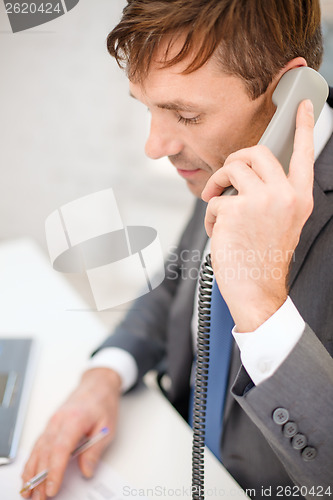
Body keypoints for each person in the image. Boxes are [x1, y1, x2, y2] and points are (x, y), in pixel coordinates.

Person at [22, 1, 333, 499]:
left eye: (186, 114)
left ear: (286, 94)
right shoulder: (228, 163)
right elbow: (174, 288)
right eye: (149, 107)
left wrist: (261, 306)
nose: (155, 144)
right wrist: (107, 372)